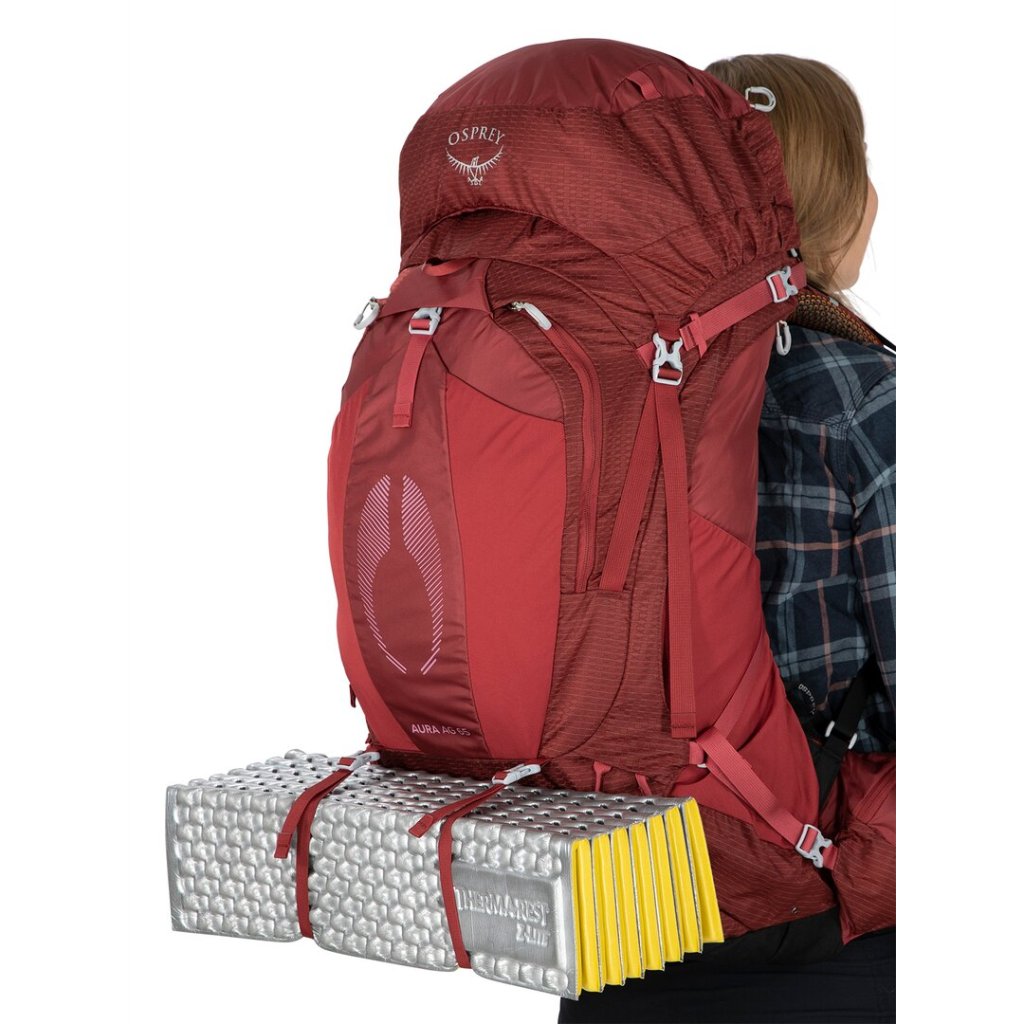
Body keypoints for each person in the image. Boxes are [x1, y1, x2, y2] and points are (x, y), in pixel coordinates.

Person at [558, 54, 896, 1024]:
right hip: (824, 930)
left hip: (616, 911)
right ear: (845, 206)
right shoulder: (863, 398)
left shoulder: (588, 388)